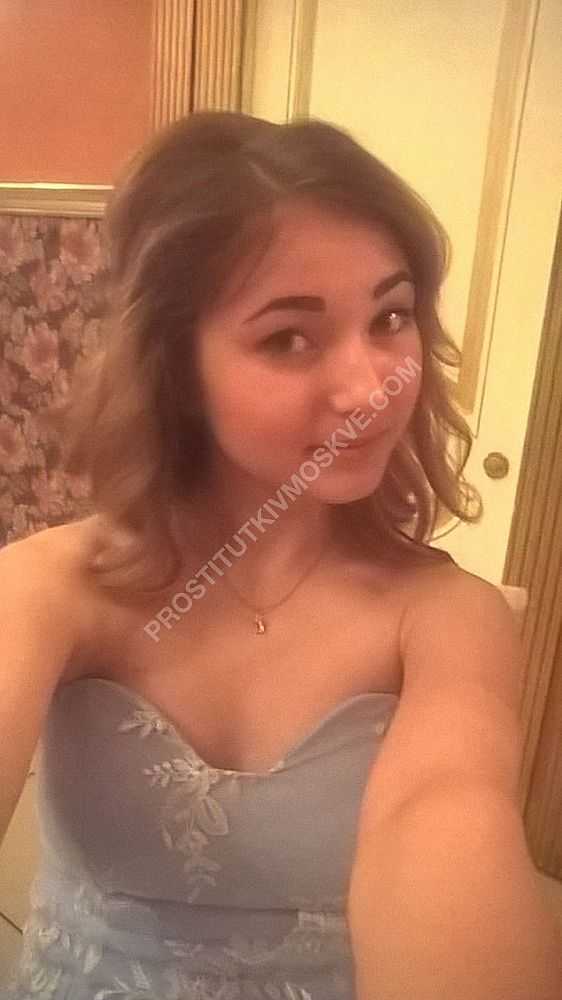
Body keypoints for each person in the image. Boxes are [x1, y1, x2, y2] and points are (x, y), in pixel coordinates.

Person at [2, 111, 560, 1000]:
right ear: (177, 367)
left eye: (391, 317)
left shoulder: (448, 617)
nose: (371, 385)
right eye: (289, 338)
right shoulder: (52, 587)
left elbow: (447, 809)